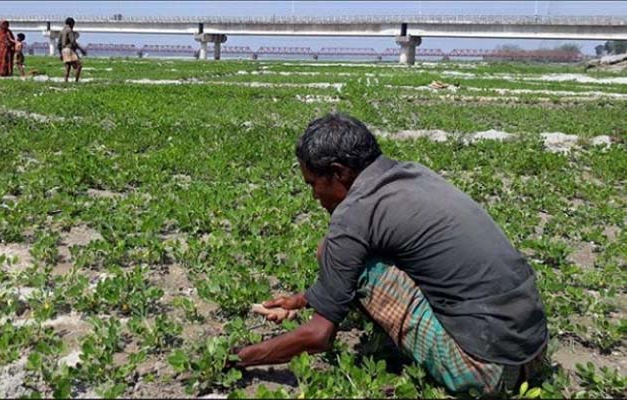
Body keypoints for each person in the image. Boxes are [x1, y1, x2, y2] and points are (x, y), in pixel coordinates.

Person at [234, 113, 549, 395]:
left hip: (484, 369)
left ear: (338, 172)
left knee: (340, 255)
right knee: (342, 253)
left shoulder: (353, 214)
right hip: (533, 350)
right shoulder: (412, 174)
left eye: (314, 183)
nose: (315, 195)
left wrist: (241, 357)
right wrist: (305, 299)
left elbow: (319, 336)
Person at [58, 17, 87, 83]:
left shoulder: (61, 31)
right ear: (71, 24)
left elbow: (59, 44)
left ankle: (65, 81)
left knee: (67, 67)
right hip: (69, 50)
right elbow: (73, 42)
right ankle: (76, 82)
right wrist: (81, 49)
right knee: (79, 65)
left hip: (63, 50)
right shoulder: (69, 30)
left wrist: (60, 54)